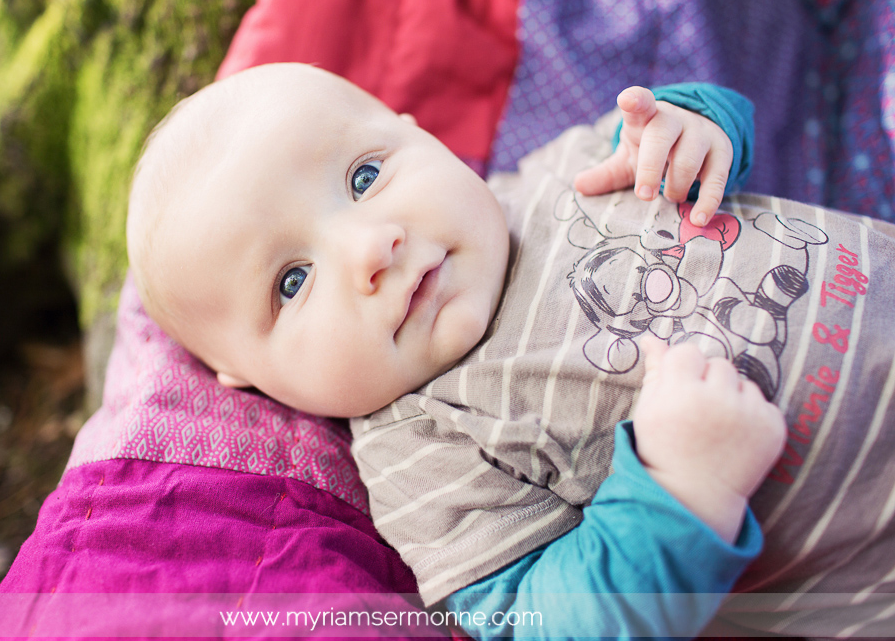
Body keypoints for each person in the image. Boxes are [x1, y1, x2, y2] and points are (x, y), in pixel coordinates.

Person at [126, 63, 895, 639]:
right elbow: (552, 622)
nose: (372, 246)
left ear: (417, 130)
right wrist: (684, 487)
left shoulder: (566, 170)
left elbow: (712, 139)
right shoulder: (424, 456)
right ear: (249, 382)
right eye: (293, 281)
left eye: (365, 175)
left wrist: (694, 125)